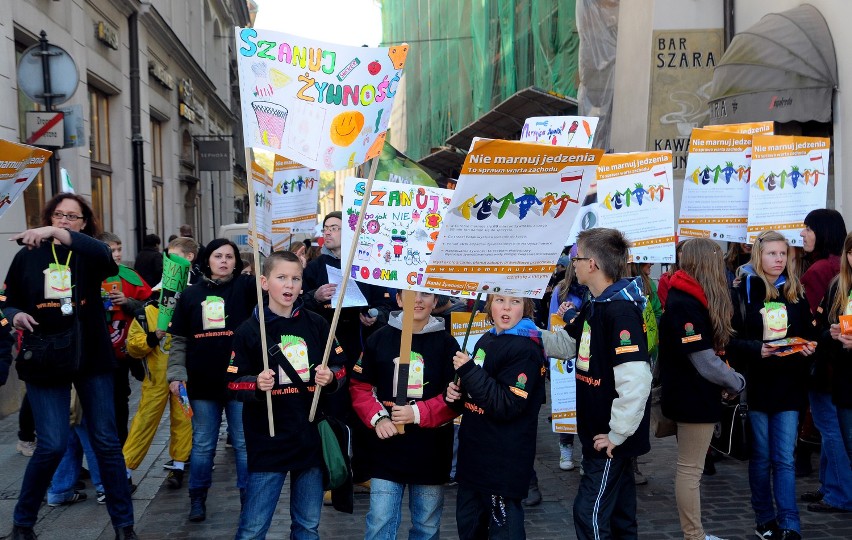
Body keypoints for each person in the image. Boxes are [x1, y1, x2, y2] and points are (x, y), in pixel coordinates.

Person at [4, 193, 137, 540]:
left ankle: (124, 525)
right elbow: (7, 300)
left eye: (72, 217)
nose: (64, 220)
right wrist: (13, 315)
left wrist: (52, 230)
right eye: (58, 215)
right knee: (51, 444)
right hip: (46, 356)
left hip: (91, 355)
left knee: (106, 442)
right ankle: (22, 523)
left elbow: (105, 258)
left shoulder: (88, 254)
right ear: (50, 216)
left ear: (84, 224)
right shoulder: (26, 257)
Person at [540, 227, 652, 540]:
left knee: (589, 514)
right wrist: (532, 334)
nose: (572, 263)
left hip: (609, 438)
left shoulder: (620, 311)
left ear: (594, 265)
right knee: (620, 517)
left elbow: (636, 379)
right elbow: (570, 346)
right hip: (600, 432)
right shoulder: (596, 303)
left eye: (578, 257)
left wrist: (617, 433)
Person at [228, 250, 346, 539]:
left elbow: (341, 370)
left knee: (307, 525)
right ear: (265, 282)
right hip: (268, 438)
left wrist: (330, 376)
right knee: (253, 528)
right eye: (282, 278)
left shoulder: (318, 324)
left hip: (309, 436)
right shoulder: (249, 330)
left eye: (295, 278)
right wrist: (255, 383)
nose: (289, 285)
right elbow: (231, 383)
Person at [728, 230, 816, 540]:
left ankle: (790, 523)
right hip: (757, 385)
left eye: (782, 254)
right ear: (758, 256)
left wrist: (808, 347)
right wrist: (757, 349)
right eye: (771, 254)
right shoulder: (742, 291)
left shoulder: (796, 292)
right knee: (762, 457)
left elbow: (807, 334)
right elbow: (730, 341)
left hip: (790, 387)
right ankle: (764, 518)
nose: (778, 259)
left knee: (784, 458)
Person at [350, 291, 459, 539]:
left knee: (426, 526)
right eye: (410, 295)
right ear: (398, 300)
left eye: (426, 294)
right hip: (386, 450)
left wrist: (417, 412)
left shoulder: (447, 344)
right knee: (380, 521)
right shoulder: (379, 338)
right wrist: (378, 418)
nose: (418, 300)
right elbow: (360, 386)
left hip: (431, 451)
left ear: (435, 301)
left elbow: (454, 399)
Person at [658, 238, 746, 540]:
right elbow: (704, 361)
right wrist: (736, 382)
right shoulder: (685, 301)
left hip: (692, 394)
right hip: (691, 397)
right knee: (690, 470)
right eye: (716, 258)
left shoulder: (688, 296)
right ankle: (694, 536)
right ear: (707, 262)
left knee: (689, 469)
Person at [167, 238, 257, 522]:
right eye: (218, 256)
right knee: (204, 444)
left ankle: (248, 499)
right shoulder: (190, 295)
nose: (224, 261)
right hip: (202, 382)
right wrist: (176, 375)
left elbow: (274, 288)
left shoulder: (245, 287)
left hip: (239, 381)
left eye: (230, 257)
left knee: (243, 443)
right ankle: (197, 498)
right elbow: (179, 340)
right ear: (207, 260)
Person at [302, 211, 393, 489]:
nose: (327, 233)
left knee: (363, 408)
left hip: (362, 348)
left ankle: (363, 471)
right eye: (326, 228)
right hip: (327, 349)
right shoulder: (315, 268)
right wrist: (315, 297)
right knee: (332, 411)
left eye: (335, 228)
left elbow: (389, 305)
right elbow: (298, 303)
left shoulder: (367, 264)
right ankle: (334, 476)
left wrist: (376, 313)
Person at [445, 293, 545, 539]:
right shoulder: (486, 339)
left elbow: (506, 404)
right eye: (500, 300)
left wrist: (469, 370)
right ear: (489, 304)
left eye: (515, 302)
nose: (507, 308)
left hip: (502, 462)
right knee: (468, 525)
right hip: (474, 458)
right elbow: (479, 393)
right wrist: (458, 393)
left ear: (526, 307)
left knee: (503, 531)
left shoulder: (526, 348)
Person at [122, 238, 196, 491]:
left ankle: (178, 466)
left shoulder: (193, 302)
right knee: (144, 422)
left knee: (184, 420)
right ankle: (126, 470)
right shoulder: (148, 312)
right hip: (154, 381)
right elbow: (133, 345)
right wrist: (153, 338)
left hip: (183, 380)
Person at [795, 209, 852, 512]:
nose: (802, 234)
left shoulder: (818, 271)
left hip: (824, 364)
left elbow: (812, 324)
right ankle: (831, 485)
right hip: (837, 364)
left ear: (823, 232)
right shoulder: (835, 268)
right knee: (831, 428)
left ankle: (840, 492)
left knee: (829, 429)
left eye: (808, 228)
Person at [97, 232, 153, 446]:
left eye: (119, 249)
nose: (117, 254)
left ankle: (121, 444)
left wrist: (128, 302)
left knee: (120, 399)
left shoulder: (130, 276)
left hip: (126, 350)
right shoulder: (87, 275)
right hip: (98, 351)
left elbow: (150, 307)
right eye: (112, 250)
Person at [548, 247, 588, 473]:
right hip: (565, 355)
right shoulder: (561, 290)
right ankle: (566, 447)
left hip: (588, 355)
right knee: (566, 400)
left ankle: (586, 452)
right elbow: (553, 324)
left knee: (587, 404)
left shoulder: (595, 290)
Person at [823, 232, 852, 468]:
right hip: (846, 380)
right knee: (849, 443)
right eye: (851, 253)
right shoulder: (838, 286)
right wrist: (832, 334)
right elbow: (823, 330)